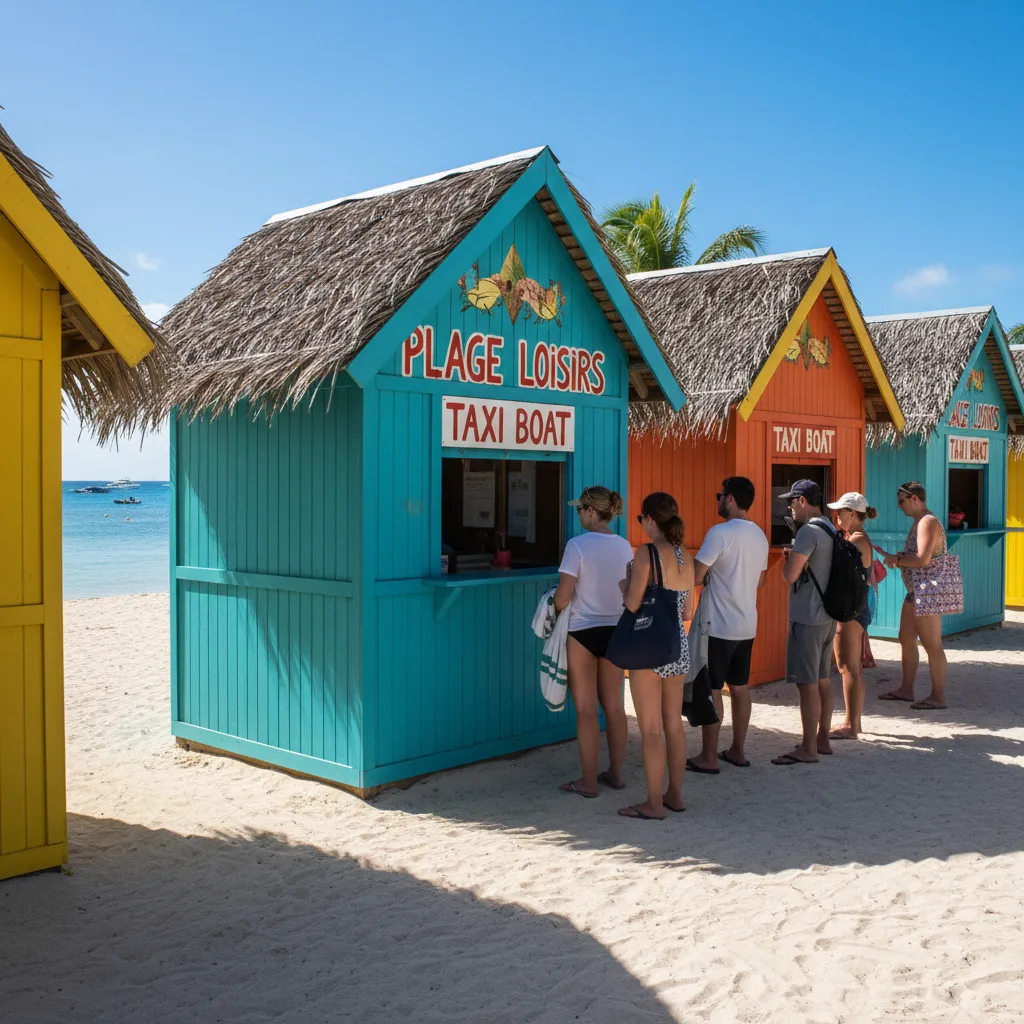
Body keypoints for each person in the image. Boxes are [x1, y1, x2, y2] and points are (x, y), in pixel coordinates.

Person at [554, 486, 635, 797]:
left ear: (590, 511)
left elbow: (563, 596)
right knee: (615, 707)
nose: (578, 515)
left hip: (583, 632)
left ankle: (588, 782)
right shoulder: (625, 546)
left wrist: (554, 607)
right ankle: (615, 774)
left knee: (586, 710)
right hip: (616, 631)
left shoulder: (577, 546)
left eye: (580, 510)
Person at [618, 492, 694, 819]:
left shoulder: (647, 552)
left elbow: (633, 604)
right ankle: (674, 795)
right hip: (677, 644)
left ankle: (653, 804)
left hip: (649, 645)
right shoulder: (685, 555)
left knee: (650, 730)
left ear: (650, 519)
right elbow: (687, 608)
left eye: (641, 518)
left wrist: (625, 582)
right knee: (673, 725)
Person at [685, 477, 768, 773]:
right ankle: (737, 750)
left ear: (730, 498)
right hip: (747, 623)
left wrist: (707, 574)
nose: (718, 500)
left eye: (719, 495)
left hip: (718, 625)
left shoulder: (720, 532)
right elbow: (760, 580)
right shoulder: (760, 535)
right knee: (741, 687)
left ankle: (708, 756)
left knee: (713, 688)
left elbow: (695, 575)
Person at [773, 479, 837, 765]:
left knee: (806, 683)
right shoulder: (829, 526)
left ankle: (808, 747)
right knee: (822, 679)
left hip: (808, 616)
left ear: (802, 501)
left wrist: (788, 561)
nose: (789, 506)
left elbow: (789, 575)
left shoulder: (808, 533)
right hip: (828, 614)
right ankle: (822, 739)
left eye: (791, 501)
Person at [879, 481, 949, 710]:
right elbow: (918, 556)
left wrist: (897, 560)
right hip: (916, 591)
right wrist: (900, 558)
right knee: (906, 638)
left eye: (901, 501)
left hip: (926, 591)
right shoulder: (919, 522)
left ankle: (938, 696)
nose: (899, 506)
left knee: (932, 645)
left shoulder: (927, 522)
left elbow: (922, 560)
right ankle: (906, 689)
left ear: (914, 499)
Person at [825, 492, 878, 739]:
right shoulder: (857, 537)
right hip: (858, 606)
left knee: (847, 666)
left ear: (853, 514)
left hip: (851, 608)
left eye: (841, 512)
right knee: (852, 667)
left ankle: (851, 725)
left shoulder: (855, 541)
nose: (837, 516)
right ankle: (853, 721)